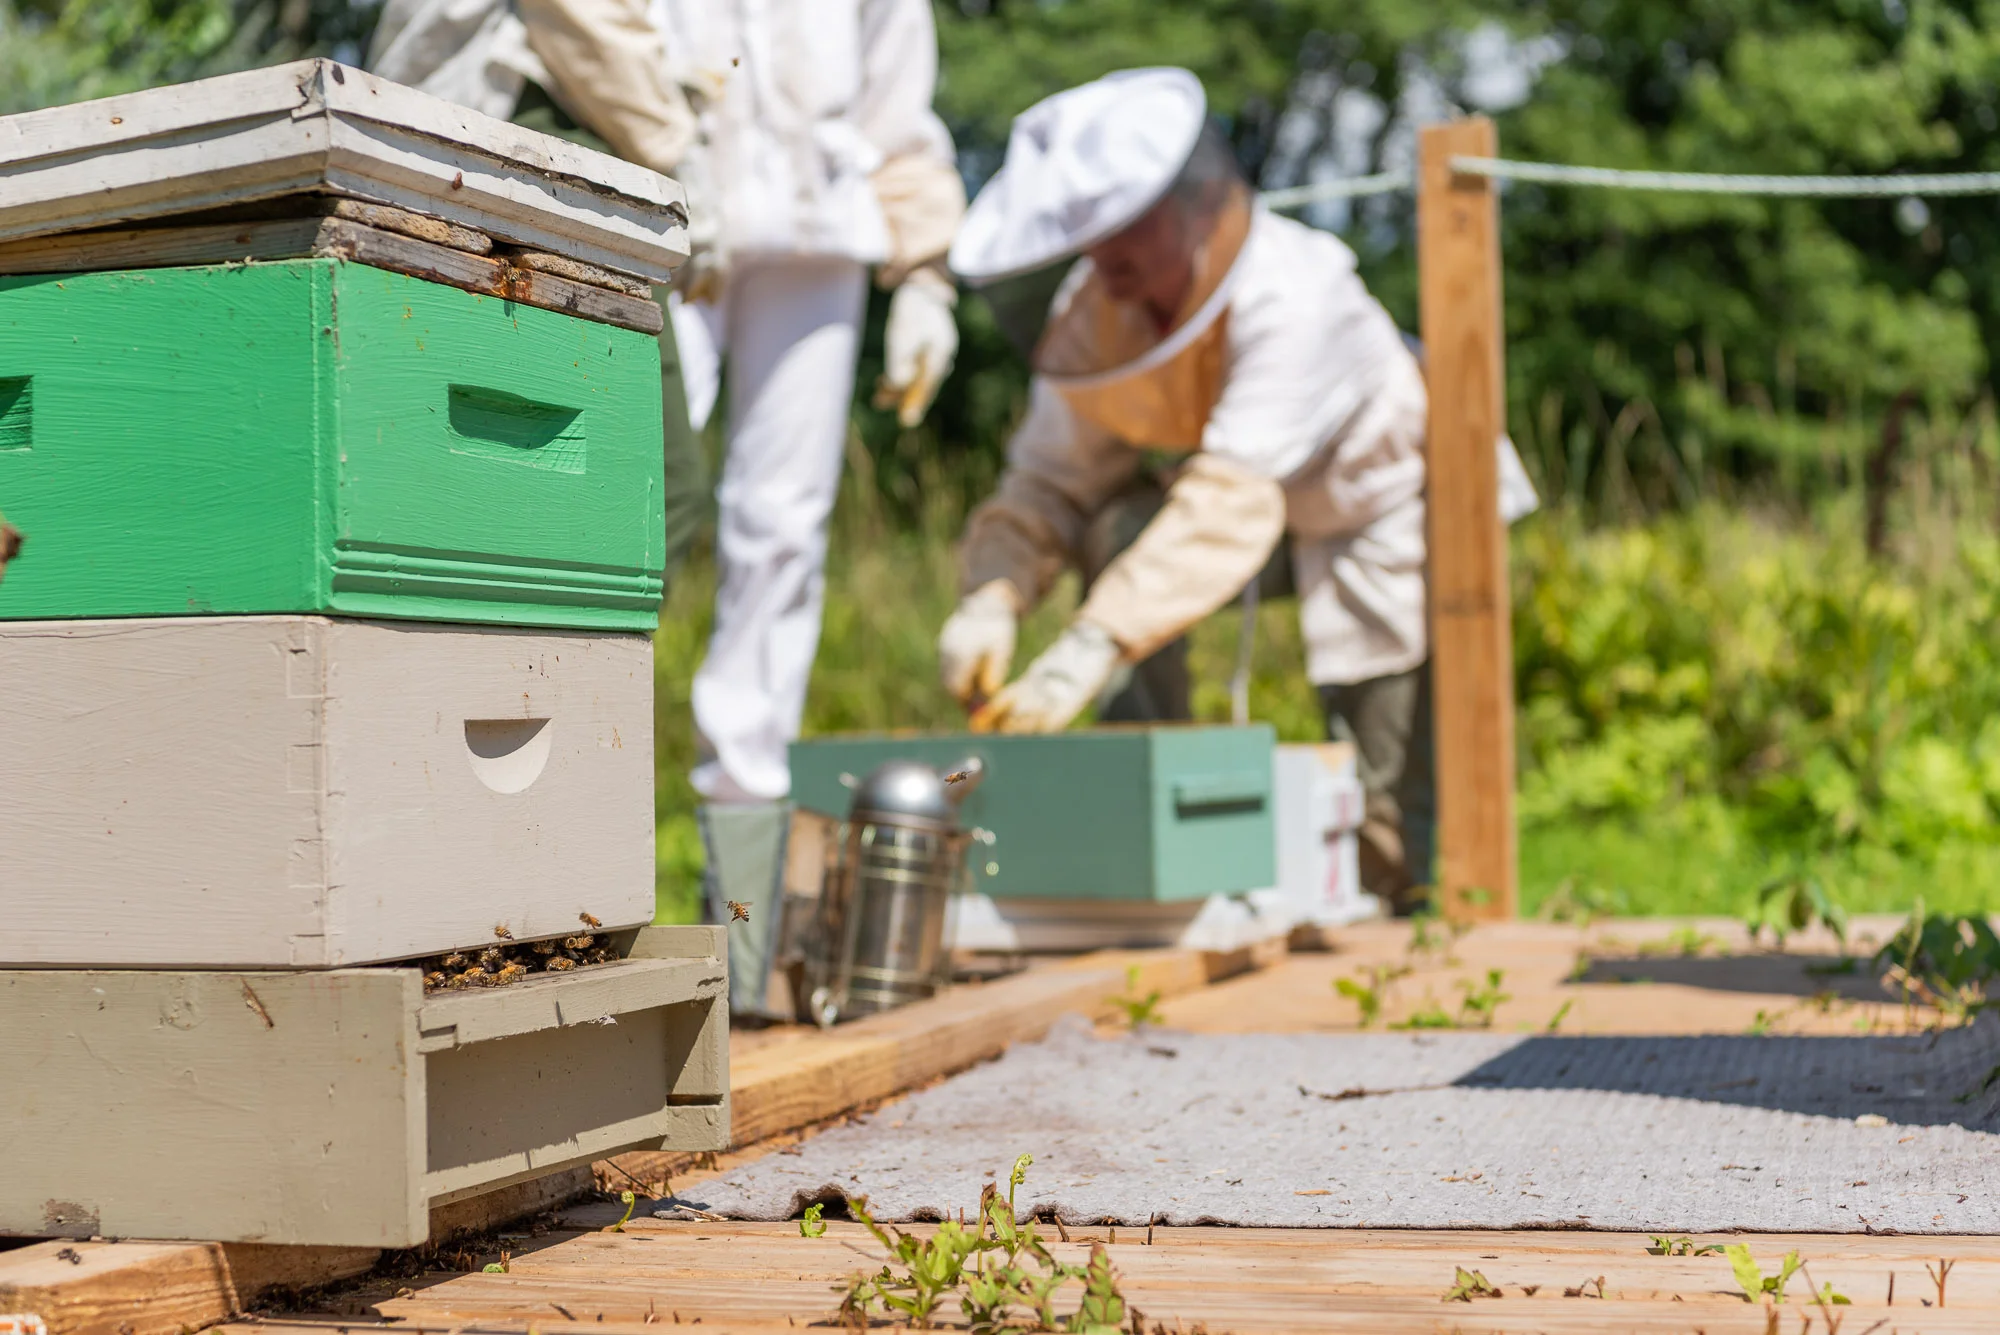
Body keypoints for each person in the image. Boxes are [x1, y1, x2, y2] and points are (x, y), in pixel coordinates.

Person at [937, 68, 1535, 911]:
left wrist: (1090, 642)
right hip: (1245, 510)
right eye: (1092, 251)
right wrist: (991, 595)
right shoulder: (1098, 308)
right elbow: (1050, 480)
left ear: (1189, 211)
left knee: (1383, 777)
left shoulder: (1294, 291)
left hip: (1378, 501)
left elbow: (1230, 499)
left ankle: (1395, 910)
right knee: (1119, 526)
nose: (1108, 274)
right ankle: (1143, 841)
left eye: (1125, 246)